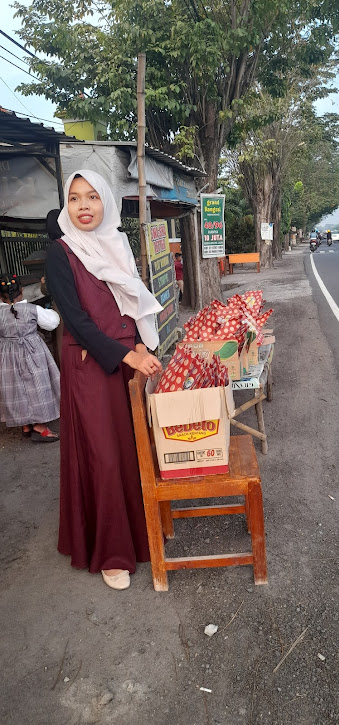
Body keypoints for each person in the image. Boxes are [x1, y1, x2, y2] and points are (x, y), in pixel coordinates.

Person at [45, 169, 163, 591]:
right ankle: (111, 552)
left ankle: (139, 533)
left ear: (105, 202)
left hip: (125, 360)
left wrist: (141, 346)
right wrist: (126, 353)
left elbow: (130, 299)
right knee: (104, 458)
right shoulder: (61, 251)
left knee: (132, 449)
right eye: (75, 198)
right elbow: (76, 320)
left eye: (92, 197)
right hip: (89, 365)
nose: (83, 206)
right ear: (66, 205)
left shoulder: (117, 243)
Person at [0, 273, 60, 441]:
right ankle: (39, 426)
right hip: (33, 353)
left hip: (7, 355)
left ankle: (25, 425)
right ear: (21, 291)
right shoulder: (33, 310)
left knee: (17, 388)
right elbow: (52, 322)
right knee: (36, 386)